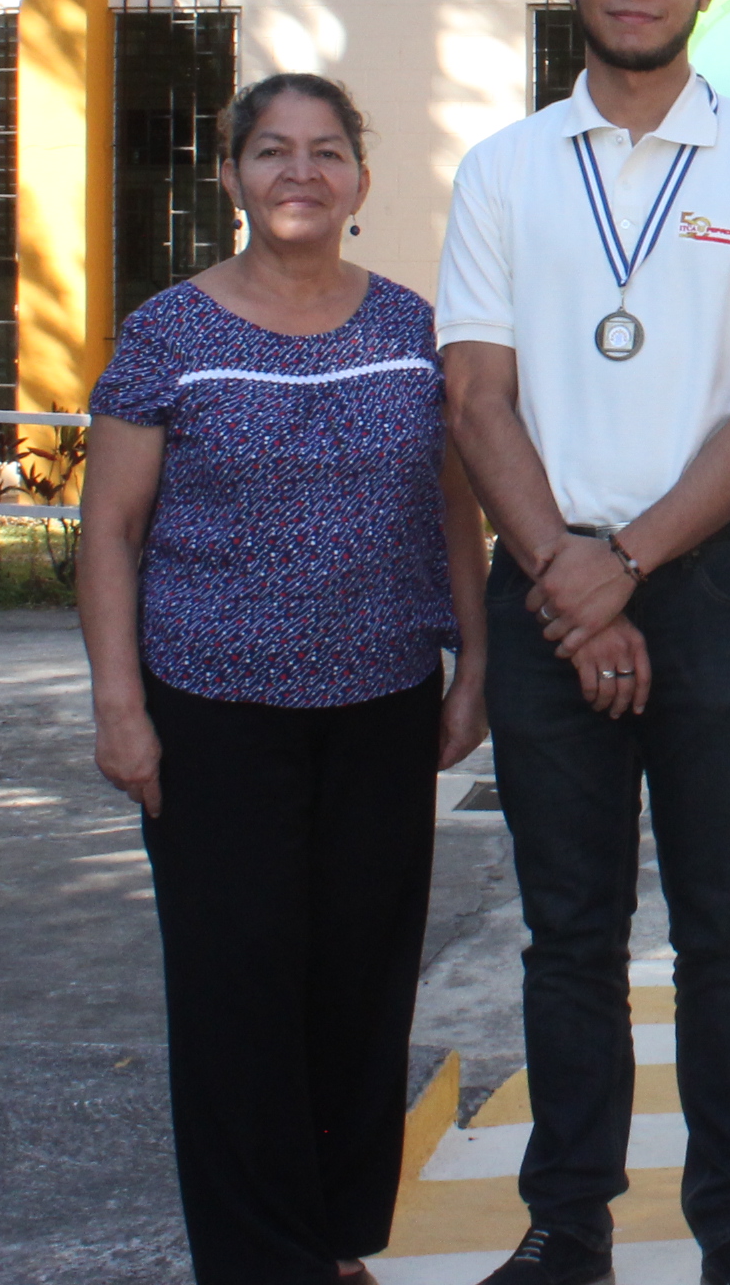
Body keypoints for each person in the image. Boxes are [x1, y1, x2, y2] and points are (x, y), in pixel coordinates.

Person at [438, 0, 730, 1285]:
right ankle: (569, 1230)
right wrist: (568, 573)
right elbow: (476, 397)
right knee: (569, 929)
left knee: (725, 921)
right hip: (548, 573)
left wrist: (625, 568)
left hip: (712, 582)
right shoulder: (505, 169)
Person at [79, 71, 491, 1285]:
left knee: (360, 985)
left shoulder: (415, 328)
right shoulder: (171, 333)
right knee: (235, 993)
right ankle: (261, 1260)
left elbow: (456, 508)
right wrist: (119, 704)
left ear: (363, 179)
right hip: (214, 714)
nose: (299, 171)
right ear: (232, 177)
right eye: (271, 151)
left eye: (325, 151)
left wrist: (475, 665)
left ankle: (333, 1240)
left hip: (380, 709)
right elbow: (108, 531)